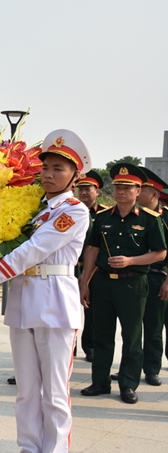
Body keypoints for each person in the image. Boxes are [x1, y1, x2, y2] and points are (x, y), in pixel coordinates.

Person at [0, 129, 91, 453]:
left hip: (55, 304)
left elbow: (31, 252)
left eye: (58, 169)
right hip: (23, 301)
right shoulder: (31, 208)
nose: (49, 174)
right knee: (26, 388)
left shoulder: (73, 211)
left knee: (54, 390)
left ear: (75, 174)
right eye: (45, 168)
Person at [80, 163, 166, 404]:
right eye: (118, 187)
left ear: (138, 191)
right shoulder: (102, 217)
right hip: (103, 282)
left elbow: (160, 252)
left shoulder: (150, 219)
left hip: (133, 284)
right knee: (101, 334)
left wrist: (131, 261)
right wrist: (85, 281)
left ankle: (128, 384)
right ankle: (100, 382)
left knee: (132, 336)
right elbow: (92, 249)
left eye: (127, 188)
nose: (121, 192)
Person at [136, 167, 168, 386]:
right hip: (135, 276)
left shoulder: (165, 218)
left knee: (154, 327)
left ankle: (151, 369)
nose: (137, 193)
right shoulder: (135, 216)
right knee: (132, 327)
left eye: (142, 190)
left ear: (154, 194)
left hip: (158, 277)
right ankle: (130, 367)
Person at [74, 170, 105, 362]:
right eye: (81, 189)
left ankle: (90, 347)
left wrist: (87, 272)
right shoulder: (70, 210)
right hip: (71, 267)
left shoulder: (103, 214)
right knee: (67, 309)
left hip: (93, 269)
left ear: (97, 191)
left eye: (88, 189)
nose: (84, 192)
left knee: (91, 310)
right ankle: (70, 347)